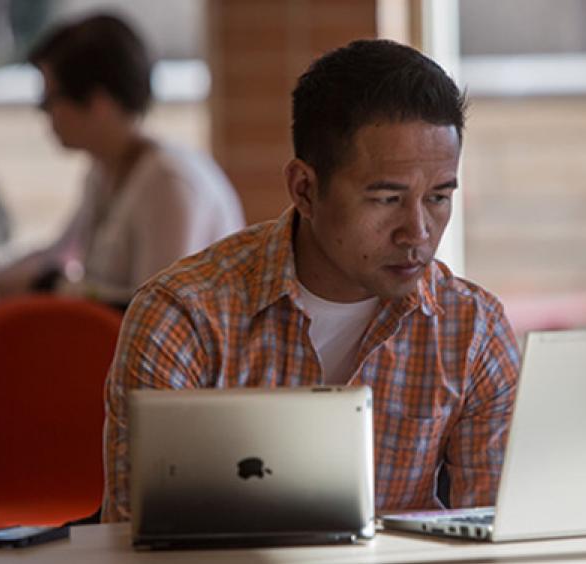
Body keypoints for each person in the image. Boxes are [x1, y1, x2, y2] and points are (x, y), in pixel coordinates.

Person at [101, 39, 520, 522]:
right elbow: (136, 539)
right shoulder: (184, 318)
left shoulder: (472, 330)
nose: (418, 232)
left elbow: (498, 533)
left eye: (439, 197)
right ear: (305, 189)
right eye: (386, 199)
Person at [0, 13, 244, 309]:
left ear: (98, 103)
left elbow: (160, 310)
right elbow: (60, 252)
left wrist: (52, 287)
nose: (44, 115)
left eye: (48, 101)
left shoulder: (169, 183)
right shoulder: (105, 169)